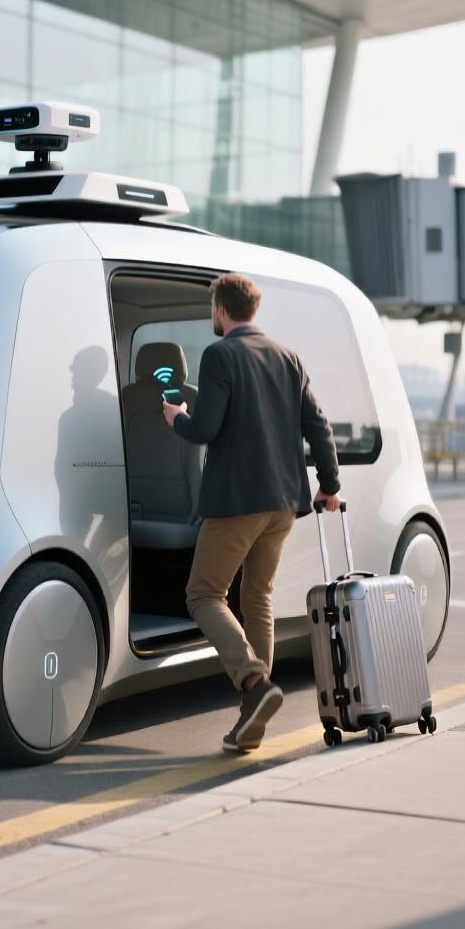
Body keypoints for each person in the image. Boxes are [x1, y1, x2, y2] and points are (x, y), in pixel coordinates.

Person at [161, 273, 340, 754]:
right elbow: (318, 427)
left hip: (237, 501)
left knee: (203, 594)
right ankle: (253, 720)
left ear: (221, 309)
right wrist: (330, 485)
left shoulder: (220, 355)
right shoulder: (288, 357)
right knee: (257, 597)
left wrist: (176, 418)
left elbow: (205, 429)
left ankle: (253, 682)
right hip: (283, 501)